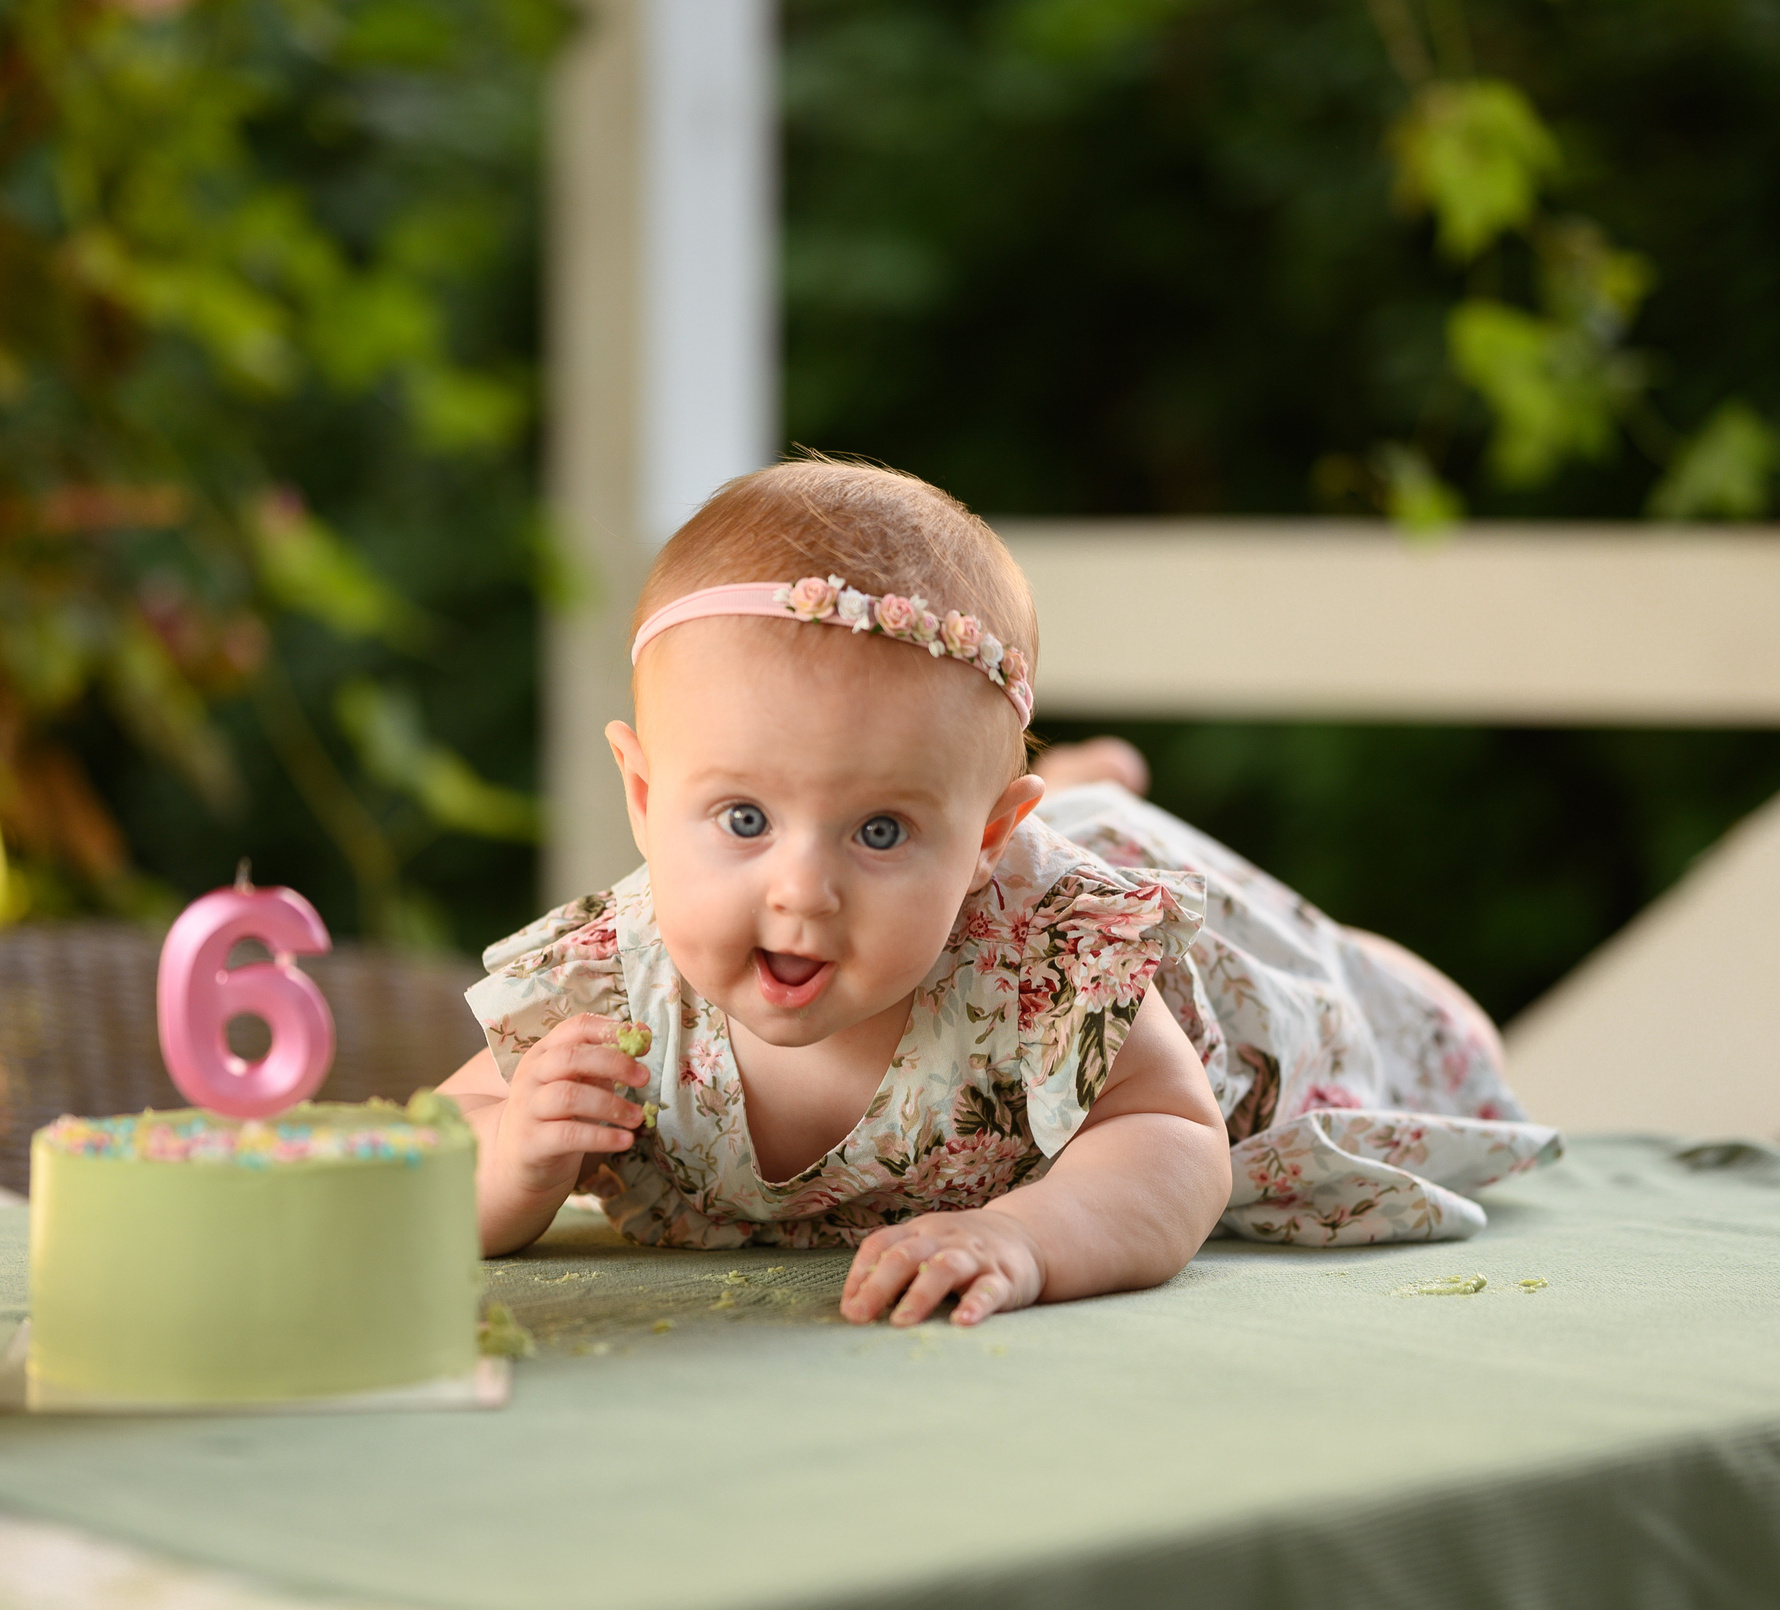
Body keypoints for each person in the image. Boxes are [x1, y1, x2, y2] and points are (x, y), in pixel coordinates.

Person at [437, 458, 1557, 1328]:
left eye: (877, 829)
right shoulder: (607, 987)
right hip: (995, 847)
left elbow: (1175, 1138)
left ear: (983, 839)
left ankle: (1123, 830)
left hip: (1212, 990)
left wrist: (1025, 1237)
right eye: (743, 819)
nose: (802, 891)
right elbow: (436, 1144)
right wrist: (512, 1158)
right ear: (643, 797)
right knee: (1034, 825)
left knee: (1398, 1020)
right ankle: (1067, 791)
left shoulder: (1050, 962)